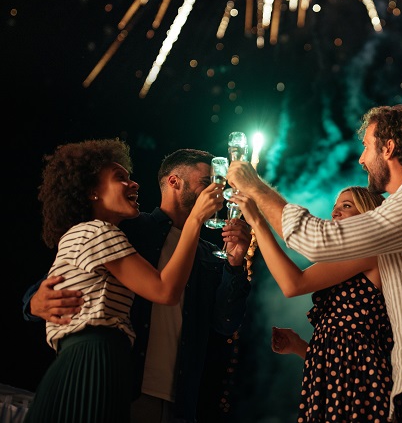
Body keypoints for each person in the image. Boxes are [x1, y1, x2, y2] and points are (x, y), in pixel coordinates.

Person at [227, 104, 402, 422]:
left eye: (366, 146)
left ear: (388, 148)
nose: (361, 159)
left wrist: (255, 186)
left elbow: (315, 242)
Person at [23, 148, 253, 423]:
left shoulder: (205, 253)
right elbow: (62, 277)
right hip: (123, 383)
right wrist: (32, 302)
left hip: (180, 398)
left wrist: (235, 263)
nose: (215, 191)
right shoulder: (127, 229)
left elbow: (225, 322)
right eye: (206, 183)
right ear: (173, 181)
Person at [235, 186, 395, 421]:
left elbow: (293, 284)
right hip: (334, 383)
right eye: (335, 207)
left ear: (369, 215)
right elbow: (343, 350)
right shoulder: (350, 260)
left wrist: (258, 222)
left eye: (347, 206)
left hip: (359, 385)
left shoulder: (370, 250)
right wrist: (299, 346)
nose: (335, 213)